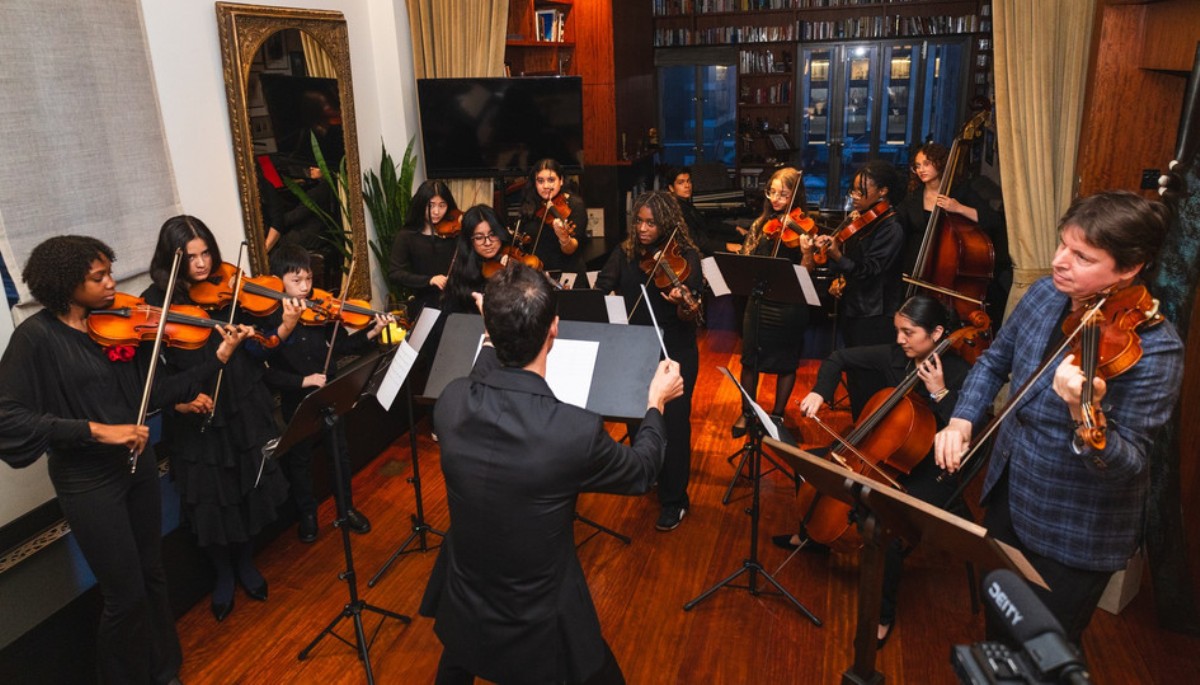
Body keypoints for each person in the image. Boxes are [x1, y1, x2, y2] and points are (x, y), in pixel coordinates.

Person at [934, 191, 1183, 645]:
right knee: (997, 621)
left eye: (1082, 256)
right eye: (1062, 245)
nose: (1059, 261)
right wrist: (961, 419)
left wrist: (1078, 410)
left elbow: (1127, 466)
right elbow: (994, 362)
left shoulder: (1156, 348)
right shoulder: (1047, 292)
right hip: (1009, 491)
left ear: (1129, 268)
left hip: (1074, 526)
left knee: (1042, 647)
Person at [0, 235, 252, 684]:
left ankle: (164, 669)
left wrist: (218, 357)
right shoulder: (35, 338)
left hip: (136, 469)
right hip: (87, 480)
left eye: (109, 272)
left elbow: (152, 393)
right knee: (124, 595)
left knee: (153, 574)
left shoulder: (111, 324)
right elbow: (8, 417)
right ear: (64, 283)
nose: (112, 283)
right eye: (98, 278)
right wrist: (94, 430)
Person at [419, 263, 684, 685]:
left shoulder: (451, 403)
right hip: (540, 617)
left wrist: (494, 328)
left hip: (467, 595)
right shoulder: (572, 430)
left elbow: (481, 376)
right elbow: (641, 471)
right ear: (554, 330)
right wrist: (655, 402)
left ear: (490, 329)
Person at [786, 295, 970, 648]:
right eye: (898, 331)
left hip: (930, 470)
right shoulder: (895, 355)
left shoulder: (961, 373)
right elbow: (838, 357)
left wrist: (940, 392)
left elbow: (969, 434)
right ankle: (812, 535)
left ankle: (882, 614)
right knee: (811, 464)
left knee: (884, 522)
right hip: (885, 454)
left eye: (908, 332)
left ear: (937, 333)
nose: (900, 340)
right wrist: (820, 393)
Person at [144, 215, 290, 623]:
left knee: (247, 488)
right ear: (171, 259)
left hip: (242, 403)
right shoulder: (156, 302)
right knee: (211, 500)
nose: (203, 264)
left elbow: (259, 350)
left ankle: (245, 563)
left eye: (206, 251)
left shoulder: (228, 289)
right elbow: (153, 382)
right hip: (198, 411)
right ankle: (223, 574)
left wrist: (280, 328)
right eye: (191, 257)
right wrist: (180, 405)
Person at [261, 243, 392, 542]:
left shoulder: (319, 309)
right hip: (299, 398)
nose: (306, 287)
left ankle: (346, 509)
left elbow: (340, 347)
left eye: (308, 279)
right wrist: (302, 381)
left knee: (339, 453)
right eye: (297, 281)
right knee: (300, 458)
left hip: (331, 391)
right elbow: (266, 371)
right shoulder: (271, 319)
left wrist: (370, 333)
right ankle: (308, 515)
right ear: (278, 280)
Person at [596, 190, 702, 531]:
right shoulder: (624, 253)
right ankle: (650, 474)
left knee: (673, 424)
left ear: (667, 223)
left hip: (673, 351)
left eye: (651, 223)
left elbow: (693, 310)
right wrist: (608, 299)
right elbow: (602, 287)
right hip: (634, 348)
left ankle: (675, 500)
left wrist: (682, 303)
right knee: (638, 421)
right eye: (639, 221)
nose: (642, 229)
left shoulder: (686, 257)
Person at [808, 159, 906, 418]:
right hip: (855, 307)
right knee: (855, 376)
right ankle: (857, 431)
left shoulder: (891, 227)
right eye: (852, 190)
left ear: (882, 191)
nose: (854, 196)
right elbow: (854, 263)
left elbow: (870, 270)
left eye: (861, 192)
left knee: (868, 380)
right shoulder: (866, 220)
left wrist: (838, 256)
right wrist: (839, 276)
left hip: (874, 315)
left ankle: (867, 434)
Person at [896, 142, 1012, 330]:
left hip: (950, 278)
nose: (921, 170)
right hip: (918, 272)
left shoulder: (960, 191)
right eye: (917, 165)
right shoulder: (914, 196)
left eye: (926, 163)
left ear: (940, 163)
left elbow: (992, 220)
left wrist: (958, 208)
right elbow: (897, 224)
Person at [733, 167, 811, 437]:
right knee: (749, 360)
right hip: (759, 302)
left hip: (790, 305)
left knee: (787, 362)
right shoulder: (760, 224)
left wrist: (807, 252)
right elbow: (745, 258)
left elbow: (806, 273)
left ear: (795, 195)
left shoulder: (805, 226)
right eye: (772, 192)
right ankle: (747, 412)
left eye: (783, 193)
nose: (776, 199)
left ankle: (776, 416)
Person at [388, 180, 460, 318]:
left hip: (456, 304)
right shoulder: (407, 236)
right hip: (424, 305)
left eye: (442, 205)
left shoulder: (456, 233)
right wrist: (429, 280)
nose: (436, 211)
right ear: (421, 205)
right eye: (430, 205)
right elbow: (395, 273)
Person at [517, 158, 589, 287]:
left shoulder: (574, 205)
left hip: (568, 277)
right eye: (540, 181)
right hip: (537, 277)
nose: (546, 186)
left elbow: (571, 249)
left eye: (551, 180)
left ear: (561, 180)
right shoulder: (530, 205)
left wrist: (564, 238)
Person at [442, 205, 512, 314]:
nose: (488, 243)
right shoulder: (462, 271)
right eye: (479, 237)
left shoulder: (512, 260)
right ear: (469, 241)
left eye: (493, 235)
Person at [662, 165, 743, 256]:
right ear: (671, 188)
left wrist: (735, 228)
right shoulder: (675, 210)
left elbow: (706, 223)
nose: (687, 186)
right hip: (698, 252)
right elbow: (695, 240)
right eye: (681, 183)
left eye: (689, 181)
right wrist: (726, 246)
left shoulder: (686, 204)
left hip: (708, 242)